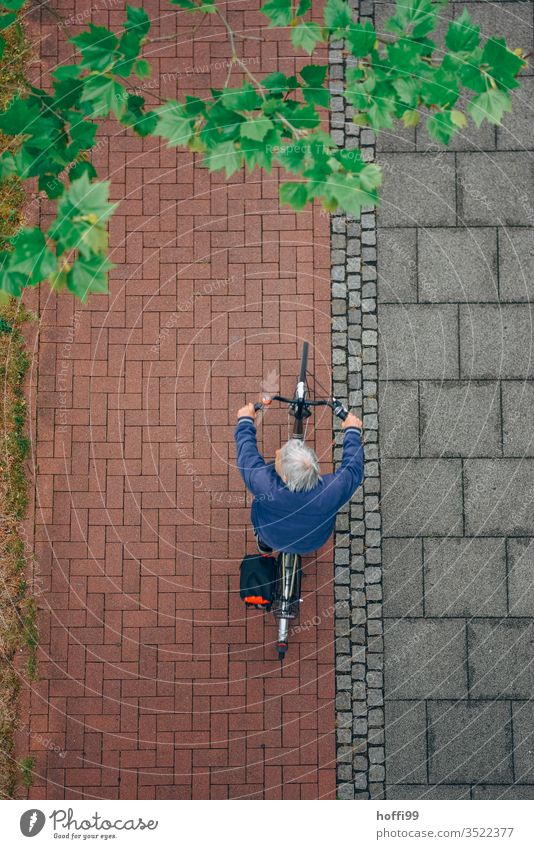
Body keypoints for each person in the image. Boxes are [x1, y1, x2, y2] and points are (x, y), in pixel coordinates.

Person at [234, 401, 364, 555]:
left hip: (271, 537)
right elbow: (353, 468)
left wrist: (245, 421)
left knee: (264, 533)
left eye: (279, 456)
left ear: (286, 477)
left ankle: (264, 546)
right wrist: (353, 431)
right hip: (312, 542)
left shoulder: (263, 484)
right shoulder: (332, 491)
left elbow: (247, 454)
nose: (276, 452)